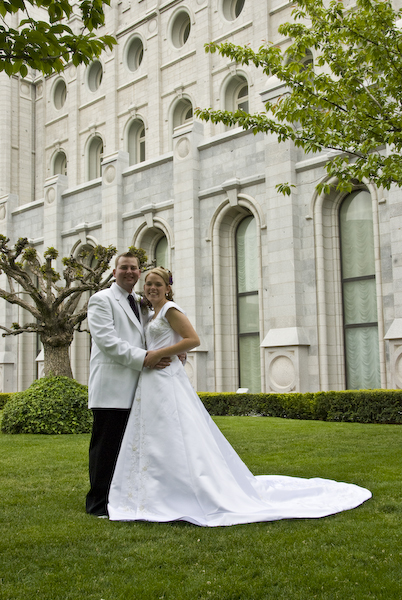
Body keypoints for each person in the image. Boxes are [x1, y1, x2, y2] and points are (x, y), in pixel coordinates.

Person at [108, 267, 372, 526]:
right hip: (151, 380)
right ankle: (155, 488)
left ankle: (185, 490)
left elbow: (193, 339)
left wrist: (161, 353)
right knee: (155, 432)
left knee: (175, 430)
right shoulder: (150, 313)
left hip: (167, 378)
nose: (152, 288)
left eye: (158, 284)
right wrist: (162, 353)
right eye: (149, 284)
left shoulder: (170, 310)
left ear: (168, 288)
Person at [85, 252, 169, 517]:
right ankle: (98, 504)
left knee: (130, 449)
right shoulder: (101, 300)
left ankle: (124, 498)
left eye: (134, 268)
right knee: (106, 448)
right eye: (124, 267)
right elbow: (107, 342)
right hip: (112, 387)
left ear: (139, 272)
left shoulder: (141, 304)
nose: (129, 272)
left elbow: (152, 335)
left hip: (140, 388)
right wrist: (146, 358)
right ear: (114, 272)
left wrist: (174, 350)